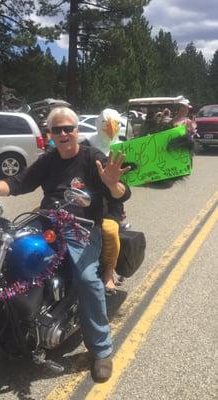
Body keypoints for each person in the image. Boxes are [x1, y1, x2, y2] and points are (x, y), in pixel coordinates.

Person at [0, 107, 131, 383]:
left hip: (81, 227)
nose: (63, 134)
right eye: (57, 130)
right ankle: (9, 323)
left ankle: (101, 350)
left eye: (68, 128)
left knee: (87, 279)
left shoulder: (91, 158)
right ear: (50, 134)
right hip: (46, 220)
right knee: (7, 252)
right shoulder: (48, 160)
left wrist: (112, 184)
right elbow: (18, 182)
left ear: (77, 130)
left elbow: (123, 193)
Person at [88, 108, 130, 293]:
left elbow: (130, 180)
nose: (111, 129)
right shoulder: (86, 144)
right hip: (86, 197)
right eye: (106, 124)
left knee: (110, 232)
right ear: (99, 124)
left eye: (116, 125)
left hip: (111, 202)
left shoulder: (125, 148)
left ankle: (108, 272)